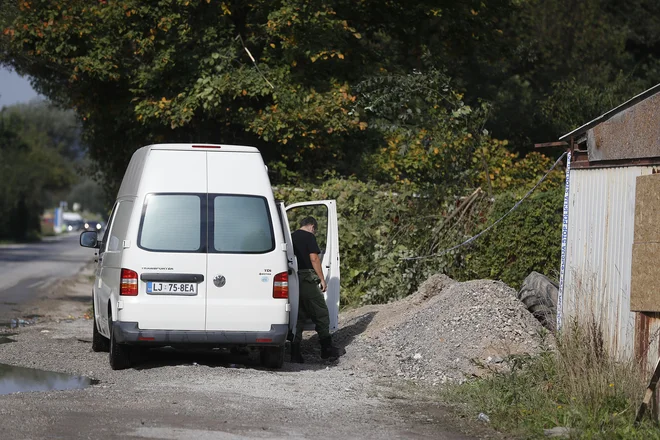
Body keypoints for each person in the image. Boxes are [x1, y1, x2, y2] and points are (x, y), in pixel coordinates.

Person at [290, 216, 343, 363]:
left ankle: (295, 353)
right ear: (312, 226)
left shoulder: (290, 236)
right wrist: (321, 279)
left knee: (298, 316)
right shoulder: (309, 236)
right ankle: (327, 350)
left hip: (292, 279)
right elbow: (314, 259)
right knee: (321, 312)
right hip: (306, 278)